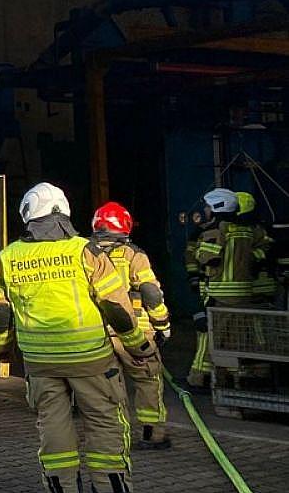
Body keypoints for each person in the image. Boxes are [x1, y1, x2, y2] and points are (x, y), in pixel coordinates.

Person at [0, 182, 156, 493]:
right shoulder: (85, 251)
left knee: (53, 425)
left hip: (40, 362)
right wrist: (139, 345)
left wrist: (2, 351)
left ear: (27, 215)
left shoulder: (7, 258)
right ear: (64, 212)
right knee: (105, 422)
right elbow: (116, 307)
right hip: (90, 359)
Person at [89, 202, 172, 450]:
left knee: (107, 385)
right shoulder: (133, 255)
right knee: (147, 380)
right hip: (135, 332)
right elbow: (151, 293)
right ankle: (152, 435)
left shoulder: (85, 254)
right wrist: (162, 324)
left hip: (98, 332)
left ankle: (113, 437)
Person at [184, 188, 270, 388]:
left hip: (221, 295)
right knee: (239, 337)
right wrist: (252, 259)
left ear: (216, 208)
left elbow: (207, 258)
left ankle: (203, 378)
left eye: (208, 207)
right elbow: (266, 248)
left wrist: (199, 245)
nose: (205, 210)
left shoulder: (216, 231)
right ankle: (241, 377)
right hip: (245, 294)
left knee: (214, 338)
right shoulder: (249, 231)